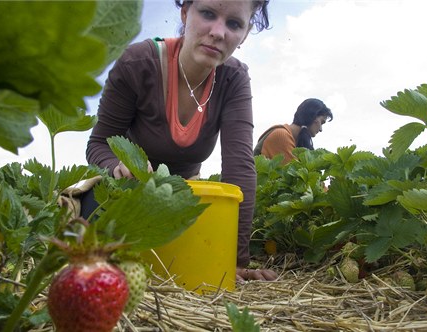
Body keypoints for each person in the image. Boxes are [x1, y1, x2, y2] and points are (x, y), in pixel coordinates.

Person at [84, 0, 277, 282]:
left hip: (183, 201)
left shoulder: (233, 79)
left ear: (245, 33)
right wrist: (116, 164)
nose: (218, 32)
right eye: (208, 14)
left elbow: (239, 167)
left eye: (234, 24)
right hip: (129, 194)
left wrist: (234, 260)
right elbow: (98, 143)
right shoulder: (137, 65)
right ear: (185, 13)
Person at [254, 98, 333, 163]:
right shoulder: (281, 135)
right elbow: (295, 179)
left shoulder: (296, 142)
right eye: (321, 122)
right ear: (312, 116)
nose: (321, 129)